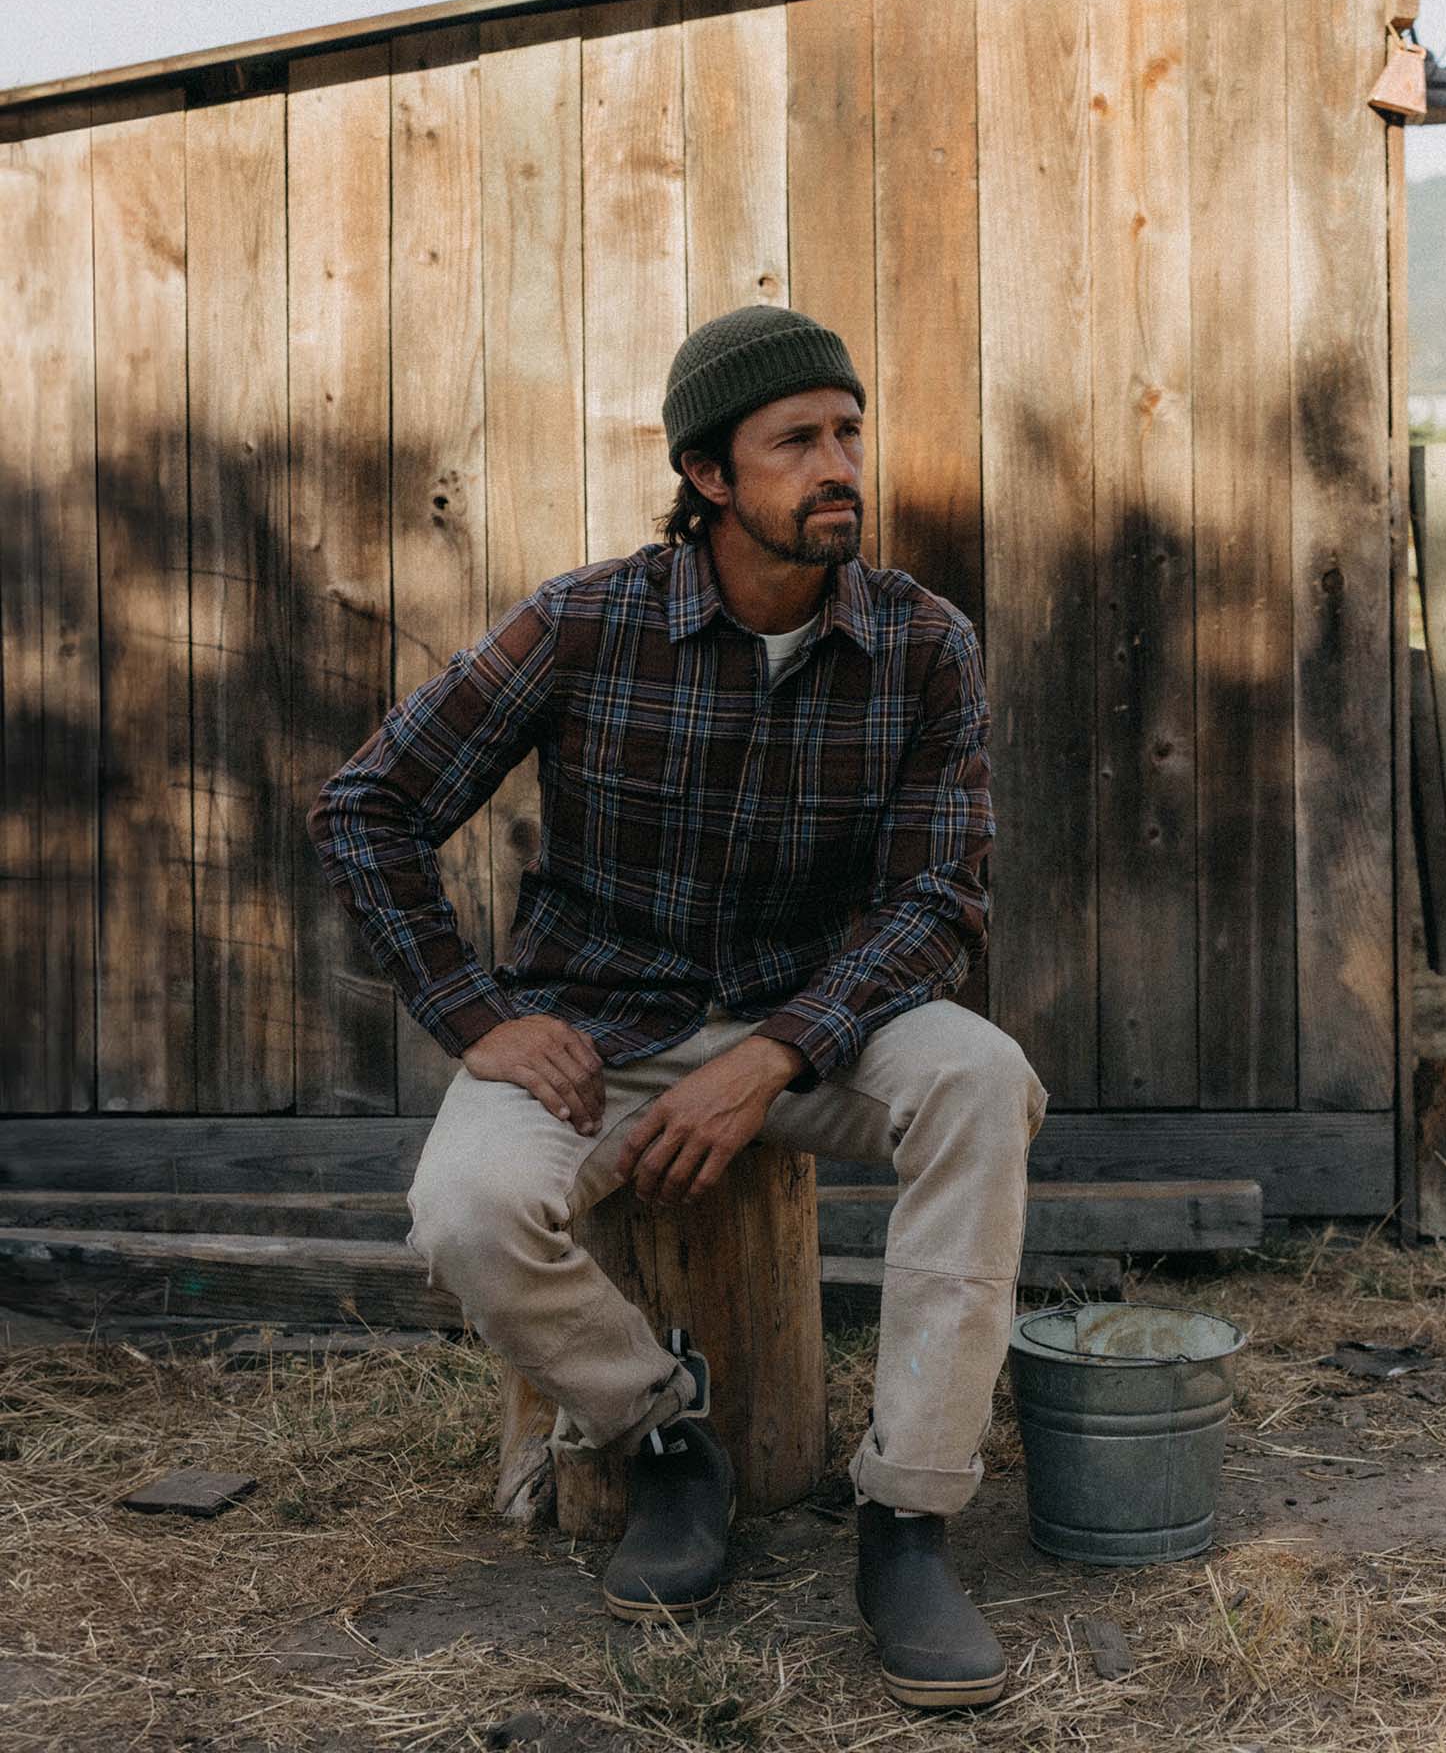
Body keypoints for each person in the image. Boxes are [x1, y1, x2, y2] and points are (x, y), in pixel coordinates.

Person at [306, 304, 1047, 1711]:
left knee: (983, 1080)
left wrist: (775, 1053)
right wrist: (475, 1018)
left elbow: (939, 897)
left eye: (848, 432)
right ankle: (658, 1432)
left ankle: (907, 1515)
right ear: (710, 476)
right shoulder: (587, 622)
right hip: (603, 1030)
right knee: (464, 1210)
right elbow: (371, 806)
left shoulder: (923, 643)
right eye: (797, 442)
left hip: (819, 1022)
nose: (841, 466)